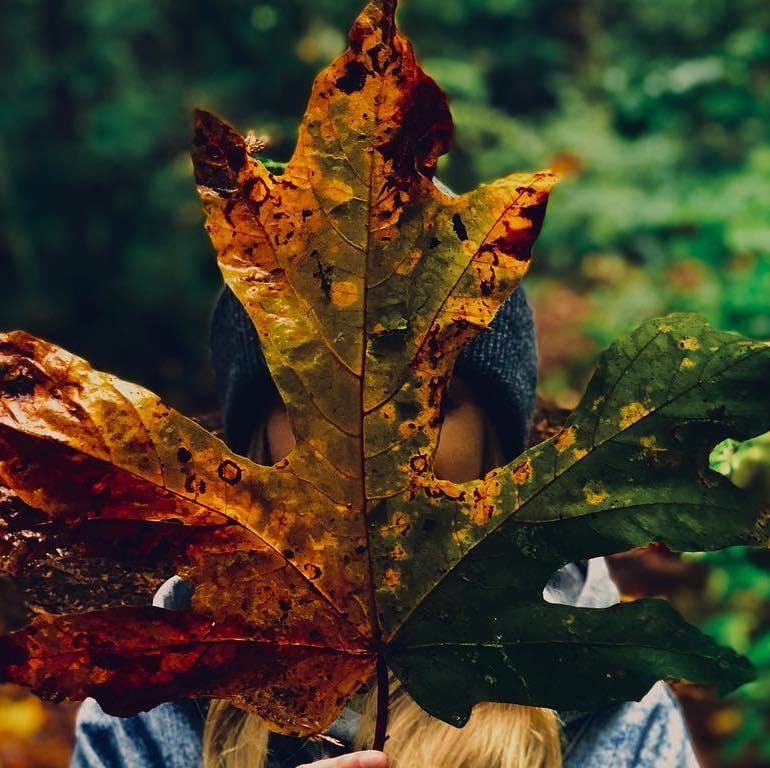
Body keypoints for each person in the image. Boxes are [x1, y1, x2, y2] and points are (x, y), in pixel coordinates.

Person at [70, 286, 699, 768]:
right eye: (316, 399)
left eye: (429, 399)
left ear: (496, 453)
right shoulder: (150, 708)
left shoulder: (616, 713)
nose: (371, 447)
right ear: (255, 447)